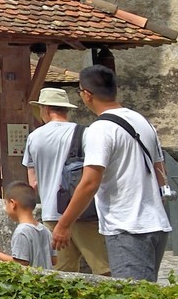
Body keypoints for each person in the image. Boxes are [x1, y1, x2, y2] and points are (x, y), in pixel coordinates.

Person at [52, 65, 172, 282]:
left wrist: (64, 224)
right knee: (147, 294)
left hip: (128, 226)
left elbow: (90, 182)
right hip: (156, 222)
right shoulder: (143, 121)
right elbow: (160, 171)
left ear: (87, 94)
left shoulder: (100, 129)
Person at [22, 86, 111, 276]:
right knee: (104, 268)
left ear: (44, 109)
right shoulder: (83, 133)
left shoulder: (33, 138)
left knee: (62, 273)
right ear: (66, 109)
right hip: (81, 211)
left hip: (51, 214)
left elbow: (33, 184)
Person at [0, 183, 53, 269]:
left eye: (6, 204)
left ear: (13, 204)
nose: (5, 208)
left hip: (32, 280)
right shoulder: (45, 230)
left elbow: (21, 263)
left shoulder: (22, 232)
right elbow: (54, 260)